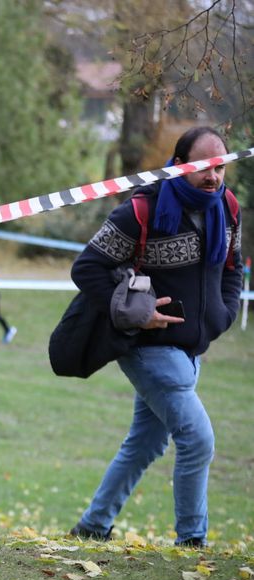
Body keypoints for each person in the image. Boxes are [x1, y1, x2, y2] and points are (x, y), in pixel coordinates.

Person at [68, 126, 242, 548]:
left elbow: (233, 266)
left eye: (219, 167)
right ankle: (192, 541)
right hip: (147, 349)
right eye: (204, 167)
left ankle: (92, 527)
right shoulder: (141, 210)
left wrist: (223, 314)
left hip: (193, 349)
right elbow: (86, 268)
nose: (213, 177)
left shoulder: (228, 207)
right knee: (198, 440)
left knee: (144, 444)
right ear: (180, 164)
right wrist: (137, 313)